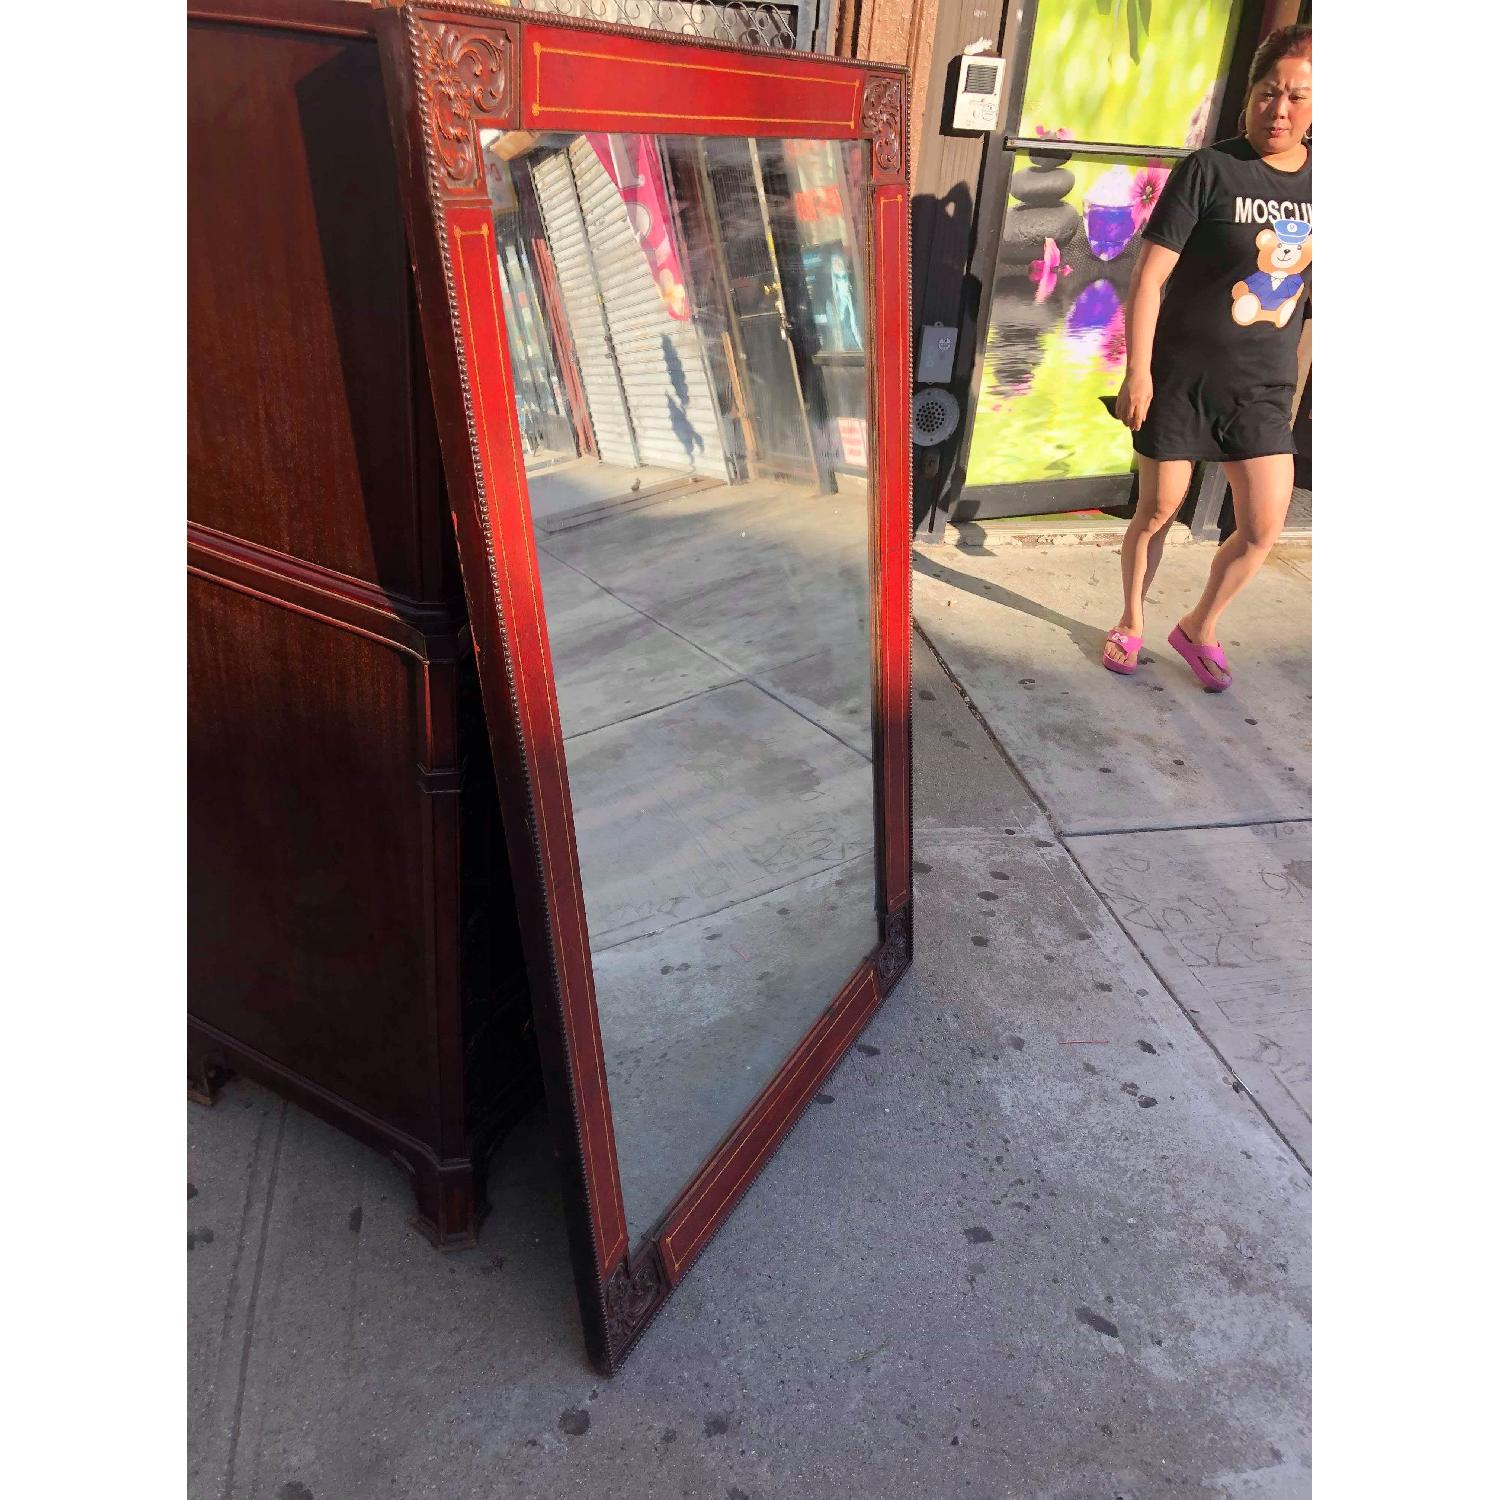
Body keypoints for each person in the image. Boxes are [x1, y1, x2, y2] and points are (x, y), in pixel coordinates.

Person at [1102, 25, 1311, 691]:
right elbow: (1149, 278)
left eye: (1298, 97)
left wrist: (1296, 387)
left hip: (1263, 388)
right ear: (1249, 94)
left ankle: (1199, 626)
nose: (1279, 109)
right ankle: (1132, 619)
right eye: (1268, 92)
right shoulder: (1209, 169)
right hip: (1182, 377)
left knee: (1262, 528)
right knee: (1159, 508)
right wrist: (1138, 371)